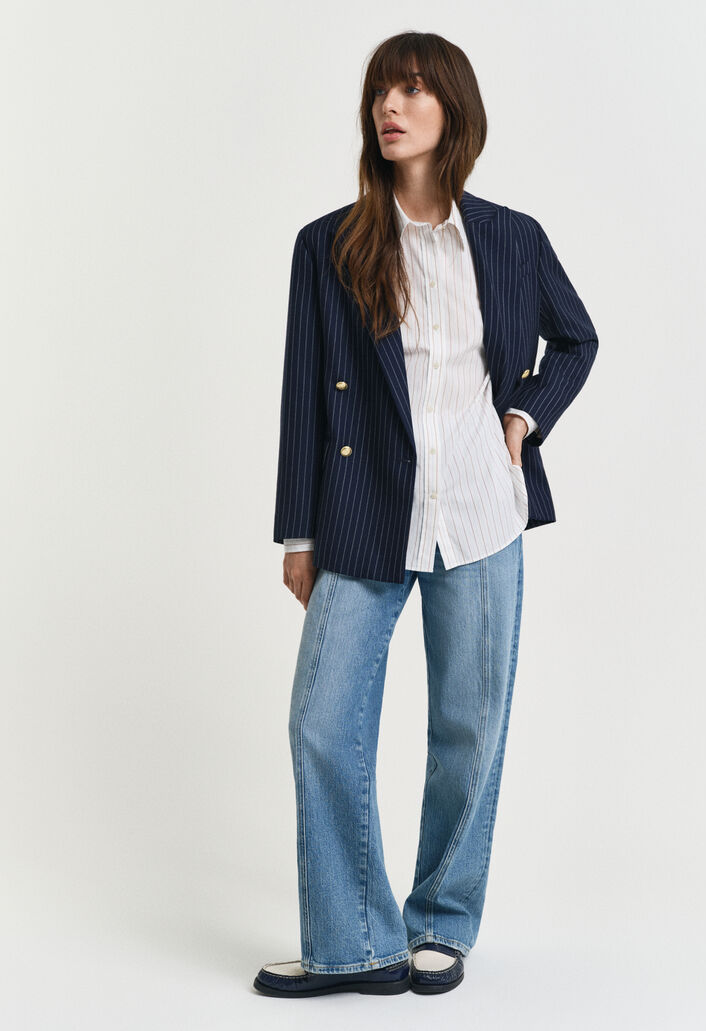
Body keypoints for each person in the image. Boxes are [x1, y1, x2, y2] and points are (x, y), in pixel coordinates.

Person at [253, 31, 598, 999]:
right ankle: (355, 941)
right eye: (380, 92)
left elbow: (576, 339)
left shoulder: (511, 237)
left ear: (453, 108)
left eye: (410, 90)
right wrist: (298, 535)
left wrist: (523, 415)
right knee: (322, 723)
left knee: (467, 728)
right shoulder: (328, 244)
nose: (389, 107)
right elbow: (302, 396)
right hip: (363, 514)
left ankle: (440, 920)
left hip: (481, 511)